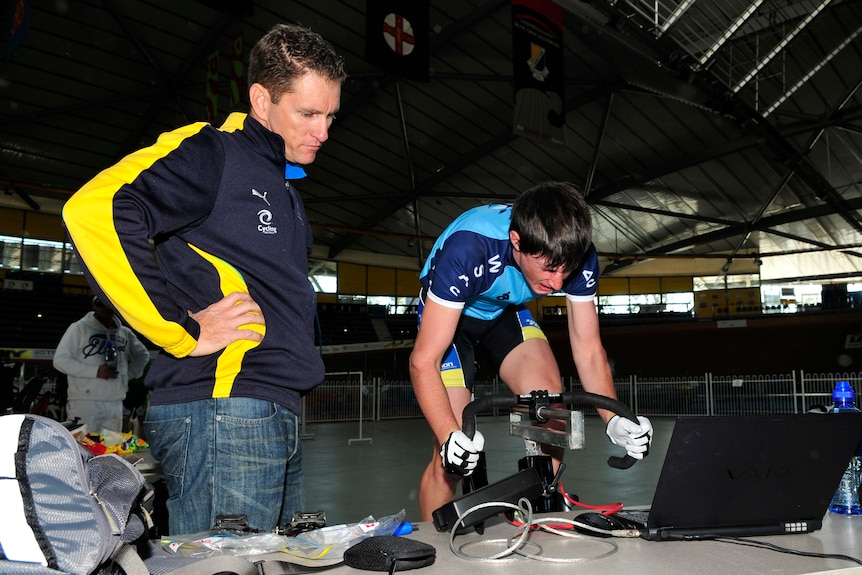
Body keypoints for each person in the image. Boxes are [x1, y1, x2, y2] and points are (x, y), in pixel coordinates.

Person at [62, 23, 346, 535]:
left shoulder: (284, 187)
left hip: (268, 407)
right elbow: (96, 209)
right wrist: (180, 330)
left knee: (270, 566)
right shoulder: (213, 152)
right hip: (224, 408)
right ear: (262, 100)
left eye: (329, 116)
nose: (322, 132)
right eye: (307, 114)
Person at [410, 181, 653, 521]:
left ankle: (540, 516)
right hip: (450, 319)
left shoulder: (577, 253)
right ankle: (431, 549)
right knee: (452, 456)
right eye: (549, 269)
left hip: (504, 311)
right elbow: (423, 360)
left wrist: (611, 418)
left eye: (566, 271)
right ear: (517, 243)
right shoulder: (470, 247)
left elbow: (587, 348)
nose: (557, 284)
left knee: (550, 413)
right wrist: (449, 435)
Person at [53, 296, 150, 433]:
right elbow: (60, 360)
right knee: (84, 447)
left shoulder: (124, 333)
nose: (104, 308)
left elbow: (143, 355)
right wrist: (95, 371)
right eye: (100, 304)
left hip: (115, 401)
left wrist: (126, 375)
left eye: (108, 304)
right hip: (85, 401)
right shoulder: (79, 328)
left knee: (111, 448)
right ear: (93, 305)